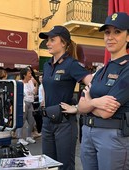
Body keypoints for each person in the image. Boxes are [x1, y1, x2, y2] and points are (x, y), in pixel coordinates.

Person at [60, 12, 129, 170]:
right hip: (89, 134)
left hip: (112, 137)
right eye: (107, 32)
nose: (110, 37)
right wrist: (96, 102)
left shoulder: (126, 68)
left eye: (117, 32)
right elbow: (81, 106)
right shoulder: (101, 70)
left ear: (128, 37)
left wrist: (89, 103)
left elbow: (106, 112)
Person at [39, 25, 93, 170]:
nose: (48, 43)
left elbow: (94, 85)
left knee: (65, 166)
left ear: (63, 43)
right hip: (47, 121)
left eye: (52, 40)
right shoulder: (47, 65)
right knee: (48, 165)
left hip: (64, 123)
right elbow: (47, 87)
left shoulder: (72, 64)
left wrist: (77, 108)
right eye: (47, 40)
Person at [16, 67, 37, 145]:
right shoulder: (19, 83)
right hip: (23, 103)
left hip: (30, 102)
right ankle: (20, 138)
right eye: (29, 73)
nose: (30, 75)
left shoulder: (31, 82)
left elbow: (34, 92)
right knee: (21, 121)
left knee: (31, 121)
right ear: (24, 75)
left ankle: (29, 136)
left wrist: (36, 84)